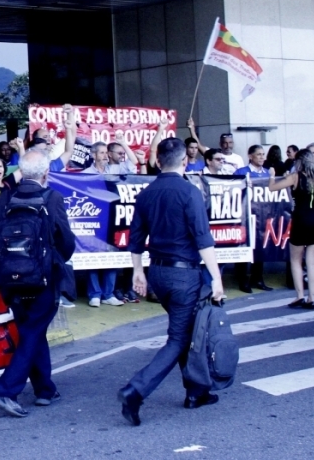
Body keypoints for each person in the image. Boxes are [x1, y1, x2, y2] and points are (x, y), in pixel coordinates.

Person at [119, 137, 226, 426]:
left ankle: (196, 391)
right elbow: (203, 240)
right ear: (185, 161)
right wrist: (216, 278)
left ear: (157, 162)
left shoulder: (146, 193)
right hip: (185, 274)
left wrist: (138, 272)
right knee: (179, 337)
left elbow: (136, 238)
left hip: (158, 273)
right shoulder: (189, 192)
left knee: (185, 329)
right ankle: (136, 390)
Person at [0, 150, 76, 418]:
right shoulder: (52, 198)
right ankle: (5, 390)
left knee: (31, 330)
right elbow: (67, 244)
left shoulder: (4, 198)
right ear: (46, 173)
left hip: (10, 277)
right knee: (34, 330)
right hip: (42, 277)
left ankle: (45, 389)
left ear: (19, 171)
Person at [270, 143, 314, 309]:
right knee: (312, 262)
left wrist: (272, 176)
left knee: (296, 260)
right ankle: (312, 297)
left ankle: (299, 296)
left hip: (302, 220)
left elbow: (272, 188)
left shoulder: (295, 176)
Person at [79, 142, 125, 307]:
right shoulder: (84, 174)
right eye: (102, 153)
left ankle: (108, 293)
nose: (106, 156)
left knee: (111, 256)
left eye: (107, 153)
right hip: (93, 220)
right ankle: (95, 294)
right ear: (93, 155)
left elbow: (136, 171)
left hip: (112, 220)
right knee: (92, 256)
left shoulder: (115, 172)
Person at [234, 144, 272, 293]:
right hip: (245, 216)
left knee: (259, 248)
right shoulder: (241, 172)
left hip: (262, 217)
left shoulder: (268, 173)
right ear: (250, 156)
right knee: (244, 248)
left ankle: (258, 278)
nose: (262, 157)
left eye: (263, 154)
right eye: (259, 154)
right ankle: (243, 280)